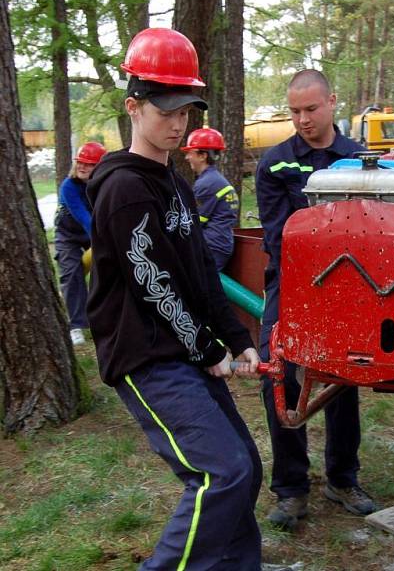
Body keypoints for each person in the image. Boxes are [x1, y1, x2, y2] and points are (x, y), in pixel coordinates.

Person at [86, 28, 263, 570]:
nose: (178, 122)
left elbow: (199, 275)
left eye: (186, 109)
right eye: (166, 109)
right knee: (219, 473)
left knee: (245, 469)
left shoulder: (177, 184)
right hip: (146, 358)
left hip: (184, 352)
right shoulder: (123, 188)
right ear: (133, 106)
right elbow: (154, 284)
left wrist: (237, 338)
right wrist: (210, 350)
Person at [256, 69, 376, 530]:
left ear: (331, 102)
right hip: (288, 283)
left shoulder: (360, 159)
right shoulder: (276, 163)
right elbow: (277, 236)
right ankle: (290, 488)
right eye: (294, 111)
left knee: (344, 375)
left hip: (350, 286)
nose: (302, 119)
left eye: (310, 109)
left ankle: (343, 478)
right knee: (277, 375)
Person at [55, 141, 106, 345]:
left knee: (106, 269)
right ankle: (76, 325)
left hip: (92, 233)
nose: (83, 166)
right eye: (80, 162)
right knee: (71, 270)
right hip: (68, 235)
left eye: (89, 163)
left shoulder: (102, 186)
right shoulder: (69, 186)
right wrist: (102, 241)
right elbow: (84, 218)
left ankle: (104, 316)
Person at [181, 127, 239, 270]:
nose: (187, 157)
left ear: (203, 156)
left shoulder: (207, 184)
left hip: (212, 246)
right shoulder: (214, 180)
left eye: (190, 153)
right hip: (218, 243)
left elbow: (195, 222)